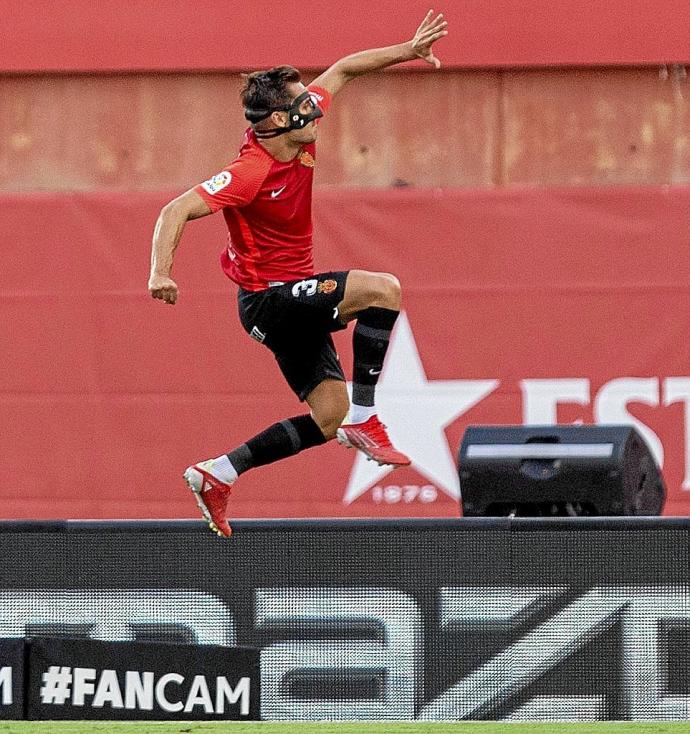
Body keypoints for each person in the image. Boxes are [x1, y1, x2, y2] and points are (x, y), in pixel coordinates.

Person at [148, 10, 449, 537]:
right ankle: (366, 415)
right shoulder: (249, 172)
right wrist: (161, 273)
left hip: (288, 297)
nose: (315, 108)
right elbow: (175, 210)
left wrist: (407, 50)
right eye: (302, 105)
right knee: (384, 289)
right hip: (270, 299)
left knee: (327, 420)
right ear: (272, 122)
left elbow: (345, 69)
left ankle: (219, 472)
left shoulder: (298, 130)